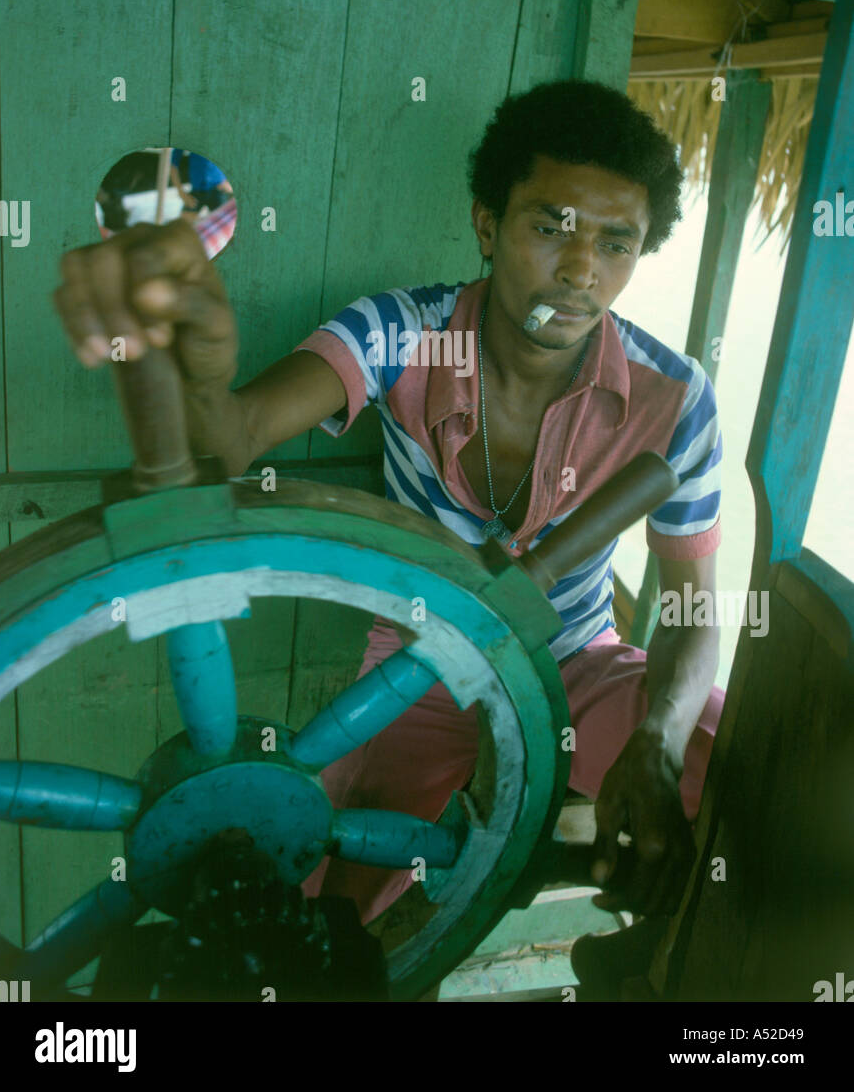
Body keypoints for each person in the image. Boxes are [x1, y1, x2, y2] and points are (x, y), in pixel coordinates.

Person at [54, 79, 724, 997]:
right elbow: (234, 438)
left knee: (738, 784)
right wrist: (190, 365)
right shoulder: (402, 334)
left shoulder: (674, 398)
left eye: (615, 243)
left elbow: (691, 608)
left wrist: (653, 738)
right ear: (486, 224)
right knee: (320, 903)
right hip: (420, 663)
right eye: (549, 226)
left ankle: (652, 973)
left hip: (575, 659)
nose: (580, 270)